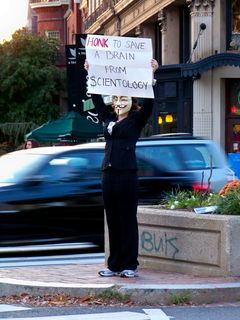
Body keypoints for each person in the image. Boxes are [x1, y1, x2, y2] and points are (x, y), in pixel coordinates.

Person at [84, 58, 159, 278]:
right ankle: (113, 264)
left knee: (127, 219)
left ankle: (129, 264)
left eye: (122, 98)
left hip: (127, 175)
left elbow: (149, 105)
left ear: (130, 101)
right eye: (115, 98)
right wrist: (90, 74)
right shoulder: (108, 119)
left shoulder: (136, 121)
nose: (118, 102)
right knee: (113, 219)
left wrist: (151, 76)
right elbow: (97, 102)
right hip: (108, 174)